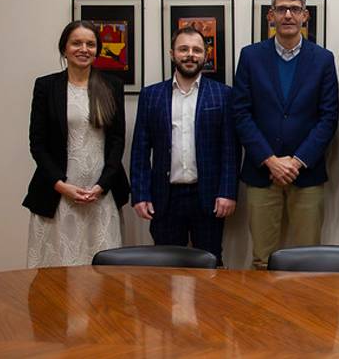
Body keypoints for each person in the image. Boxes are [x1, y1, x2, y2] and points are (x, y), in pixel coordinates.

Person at [233, 0, 339, 269]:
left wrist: (296, 161)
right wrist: (270, 160)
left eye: (295, 9)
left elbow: (328, 117)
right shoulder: (250, 56)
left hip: (306, 174)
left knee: (308, 259)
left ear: (305, 16)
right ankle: (263, 315)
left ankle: (305, 314)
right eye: (282, 9)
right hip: (261, 172)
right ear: (271, 15)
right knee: (262, 259)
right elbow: (241, 114)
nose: (288, 15)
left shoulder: (323, 59)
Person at [24, 20, 130, 267]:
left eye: (90, 44)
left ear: (97, 50)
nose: (84, 49)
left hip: (100, 194)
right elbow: (37, 143)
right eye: (77, 43)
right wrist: (61, 186)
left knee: (103, 274)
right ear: (64, 48)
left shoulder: (111, 86)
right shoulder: (46, 86)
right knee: (56, 273)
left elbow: (117, 141)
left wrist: (101, 186)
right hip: (57, 193)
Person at [130, 26, 239, 265]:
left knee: (210, 262)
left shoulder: (223, 95)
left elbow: (230, 149)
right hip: (164, 197)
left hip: (209, 197)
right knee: (166, 265)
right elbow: (140, 148)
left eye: (197, 50)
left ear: (205, 56)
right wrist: (140, 194)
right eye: (183, 49)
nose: (190, 54)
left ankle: (209, 305)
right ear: (172, 54)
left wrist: (227, 192)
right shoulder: (151, 95)